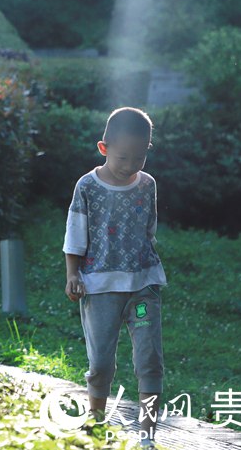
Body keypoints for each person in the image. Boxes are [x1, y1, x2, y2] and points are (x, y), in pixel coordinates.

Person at [63, 107, 167, 449]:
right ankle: (94, 423)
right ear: (103, 148)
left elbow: (148, 230)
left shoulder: (148, 184)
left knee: (149, 357)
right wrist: (73, 274)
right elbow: (75, 233)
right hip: (102, 290)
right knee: (101, 360)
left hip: (142, 290)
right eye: (123, 157)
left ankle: (148, 433)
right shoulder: (87, 187)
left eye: (140, 157)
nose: (131, 165)